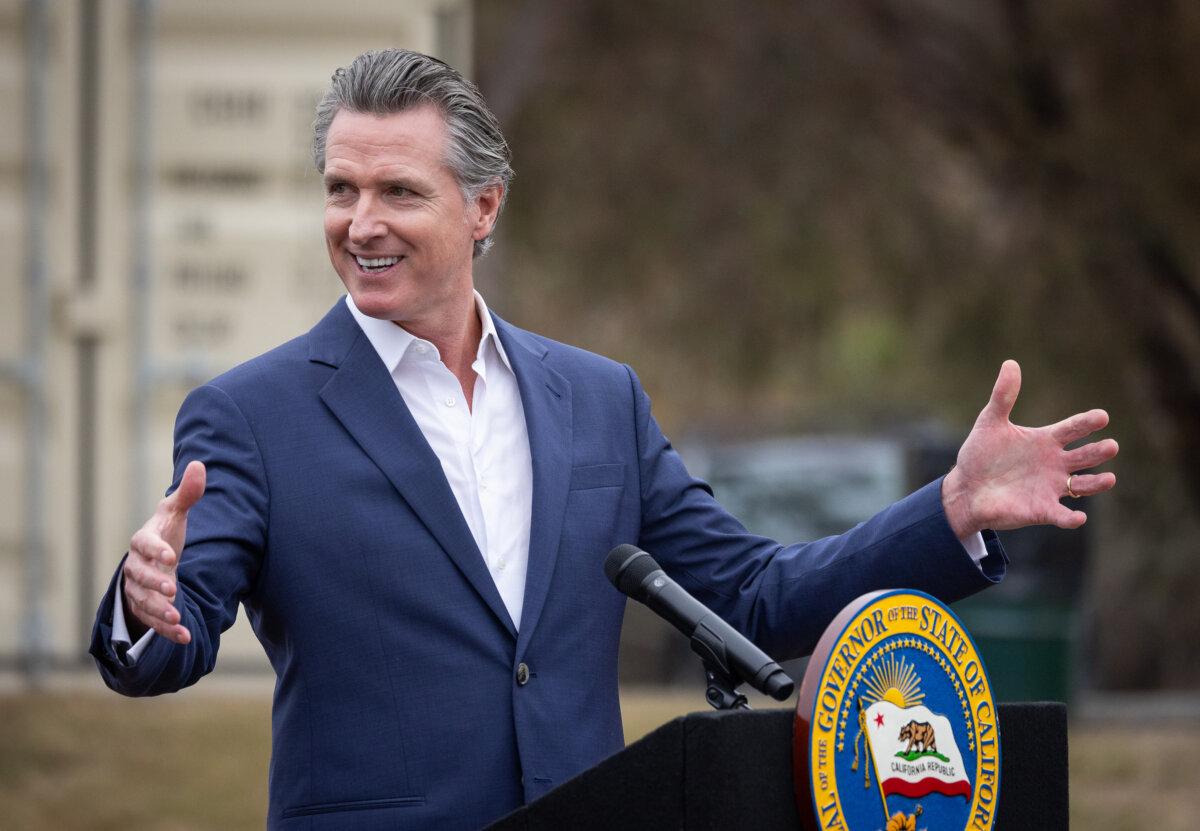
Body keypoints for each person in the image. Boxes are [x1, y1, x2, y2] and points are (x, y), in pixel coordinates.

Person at [89, 49, 1117, 830]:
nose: (361, 223)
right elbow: (168, 640)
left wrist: (948, 510)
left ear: (483, 206)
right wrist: (148, 606)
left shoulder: (598, 399)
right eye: (339, 189)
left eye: (398, 191)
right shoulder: (251, 416)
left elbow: (753, 596)